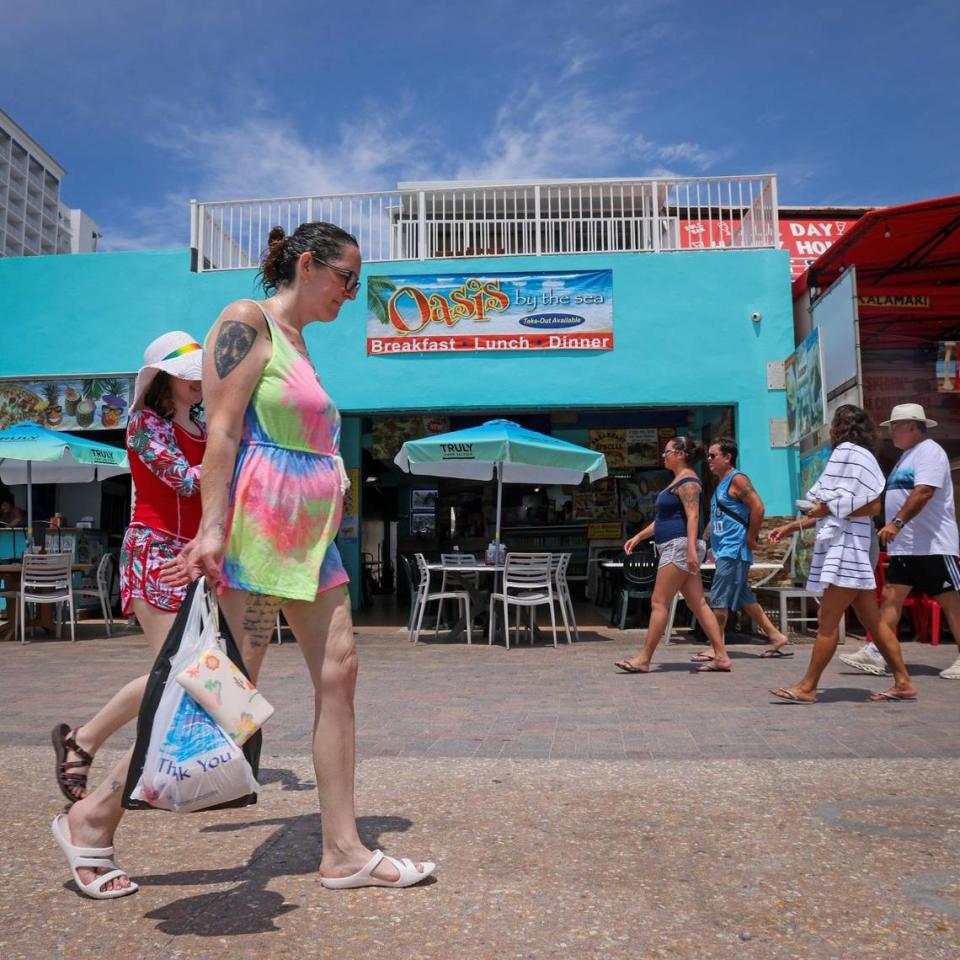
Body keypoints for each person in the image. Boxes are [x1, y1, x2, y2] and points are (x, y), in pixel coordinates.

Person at [52, 223, 433, 900]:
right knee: (217, 698)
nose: (352, 292)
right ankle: (93, 817)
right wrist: (213, 529)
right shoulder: (244, 321)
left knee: (340, 672)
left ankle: (343, 849)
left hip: (311, 539)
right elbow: (222, 433)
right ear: (309, 265)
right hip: (260, 533)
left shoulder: (300, 344)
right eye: (348, 277)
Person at [51, 331, 205, 811]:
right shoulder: (144, 424)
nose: (198, 382)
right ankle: (91, 748)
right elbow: (183, 480)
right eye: (188, 375)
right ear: (164, 378)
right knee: (176, 672)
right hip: (157, 551)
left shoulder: (203, 423)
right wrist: (239, 458)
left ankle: (87, 742)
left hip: (197, 555)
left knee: (188, 673)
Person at [767, 404, 917, 704]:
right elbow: (839, 508)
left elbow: (867, 507)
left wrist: (826, 509)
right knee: (873, 622)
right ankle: (903, 682)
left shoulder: (848, 454)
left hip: (848, 549)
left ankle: (808, 687)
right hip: (854, 546)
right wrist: (795, 526)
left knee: (827, 619)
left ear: (837, 428)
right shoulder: (864, 457)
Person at [839, 403, 960, 681]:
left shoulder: (930, 452)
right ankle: (876, 650)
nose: (891, 431)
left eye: (895, 426)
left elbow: (924, 492)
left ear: (912, 426)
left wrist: (897, 523)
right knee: (892, 596)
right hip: (906, 546)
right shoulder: (906, 457)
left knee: (951, 601)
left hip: (932, 545)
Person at [614, 436, 733, 673]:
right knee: (697, 602)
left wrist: (690, 549)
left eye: (667, 451)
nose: (663, 455)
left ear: (680, 454)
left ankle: (644, 659)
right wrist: (638, 537)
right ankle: (721, 656)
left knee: (659, 602)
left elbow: (693, 517)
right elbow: (664, 520)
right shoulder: (678, 480)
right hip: (677, 545)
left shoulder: (689, 481)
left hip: (679, 546)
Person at [690, 437, 790, 663]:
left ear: (727, 457)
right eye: (708, 456)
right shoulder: (721, 484)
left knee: (719, 598)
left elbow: (758, 507)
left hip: (733, 550)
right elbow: (719, 517)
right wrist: (704, 540)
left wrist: (751, 536)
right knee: (743, 596)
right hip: (724, 549)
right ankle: (775, 636)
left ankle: (717, 646)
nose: (709, 460)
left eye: (713, 456)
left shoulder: (738, 479)